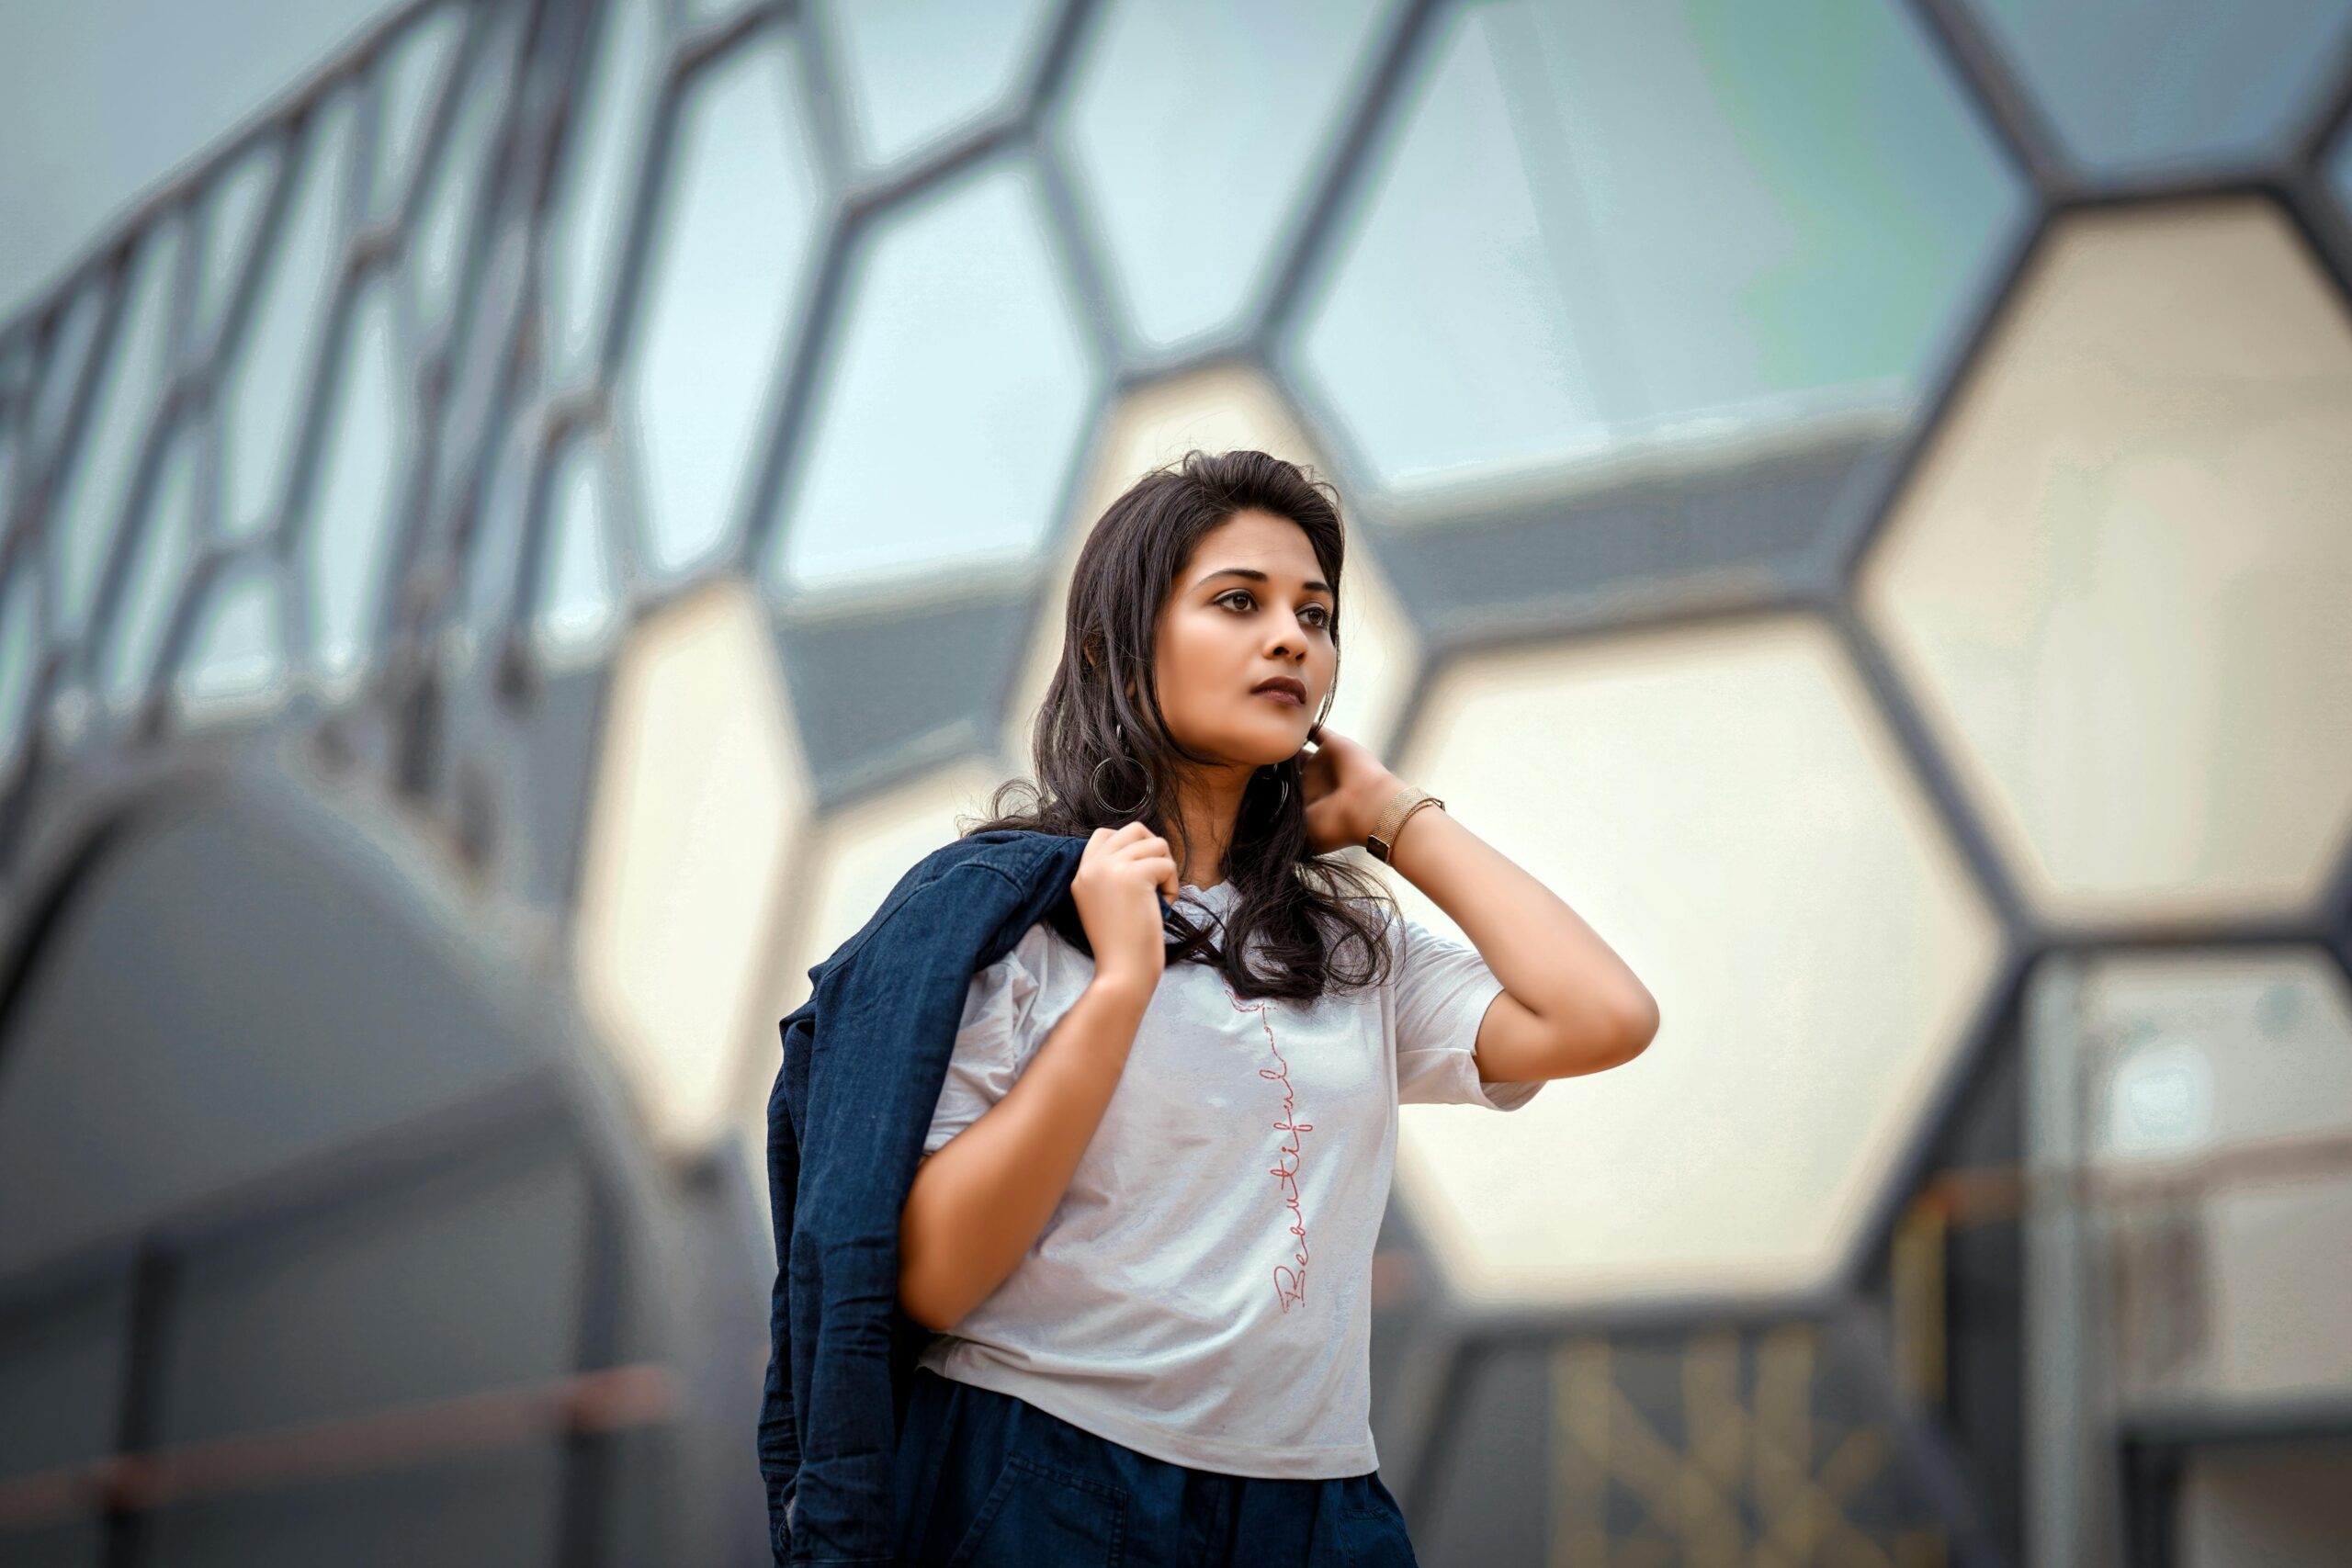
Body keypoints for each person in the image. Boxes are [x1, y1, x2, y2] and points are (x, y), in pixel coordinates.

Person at [890, 448, 1659, 1566]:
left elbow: (1603, 1016)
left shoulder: (1344, 948)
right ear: (1113, 648)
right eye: (1237, 603)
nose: (1292, 638)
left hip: (1314, 1501)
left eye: (1315, 613)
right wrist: (1117, 989)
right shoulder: (1005, 920)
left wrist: (1397, 813)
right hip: (1048, 1475)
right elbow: (934, 1277)